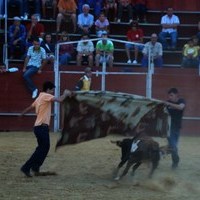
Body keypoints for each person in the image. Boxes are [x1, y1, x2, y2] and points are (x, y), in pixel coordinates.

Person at [20, 81, 72, 177]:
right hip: (42, 127)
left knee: (43, 148)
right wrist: (65, 93)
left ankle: (35, 167)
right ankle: (26, 167)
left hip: (38, 127)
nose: (52, 92)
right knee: (42, 149)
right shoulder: (45, 96)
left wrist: (22, 113)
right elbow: (60, 100)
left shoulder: (39, 97)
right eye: (52, 90)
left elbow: (30, 107)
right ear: (48, 89)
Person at [165, 88, 186, 169]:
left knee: (173, 147)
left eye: (171, 95)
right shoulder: (168, 103)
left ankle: (162, 152)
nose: (170, 97)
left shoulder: (181, 101)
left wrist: (168, 104)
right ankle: (175, 162)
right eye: (169, 95)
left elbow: (181, 107)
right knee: (173, 146)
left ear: (176, 95)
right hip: (169, 128)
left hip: (177, 128)